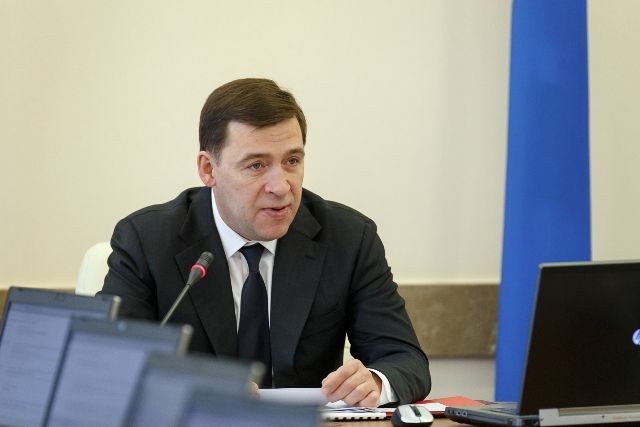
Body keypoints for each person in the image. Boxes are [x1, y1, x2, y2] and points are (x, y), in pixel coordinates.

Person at [100, 78, 430, 407]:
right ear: (208, 169)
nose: (281, 187)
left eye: (292, 161)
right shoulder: (147, 241)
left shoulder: (348, 238)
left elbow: (405, 360)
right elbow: (109, 366)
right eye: (256, 165)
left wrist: (375, 382)